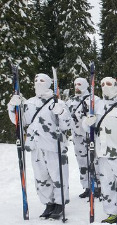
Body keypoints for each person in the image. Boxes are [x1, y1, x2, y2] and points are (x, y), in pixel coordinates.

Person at [7, 73, 71, 220]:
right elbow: (19, 122)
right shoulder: (29, 103)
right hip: (35, 146)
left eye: (42, 80)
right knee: (41, 177)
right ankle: (48, 203)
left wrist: (61, 112)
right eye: (35, 80)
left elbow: (67, 125)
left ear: (49, 83)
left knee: (57, 176)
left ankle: (60, 203)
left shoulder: (57, 103)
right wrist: (13, 106)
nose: (38, 83)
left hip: (53, 146)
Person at [82, 77, 117, 224]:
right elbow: (88, 128)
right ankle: (112, 212)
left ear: (115, 86)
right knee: (107, 185)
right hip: (102, 154)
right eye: (102, 84)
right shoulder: (96, 106)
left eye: (108, 84)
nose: (105, 86)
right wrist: (86, 122)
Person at [66, 77, 101, 198]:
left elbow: (100, 116)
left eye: (80, 84)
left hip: (91, 136)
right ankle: (86, 186)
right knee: (82, 162)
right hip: (77, 137)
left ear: (86, 85)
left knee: (95, 161)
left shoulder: (94, 100)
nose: (77, 87)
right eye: (75, 84)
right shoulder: (71, 101)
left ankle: (98, 186)